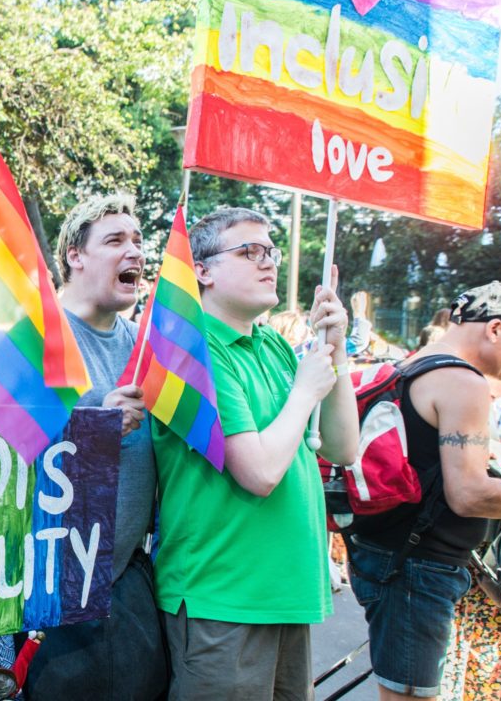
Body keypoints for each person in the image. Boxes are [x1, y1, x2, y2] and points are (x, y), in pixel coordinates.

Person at [151, 207, 358, 700]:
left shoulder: (274, 347)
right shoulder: (190, 348)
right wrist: (306, 391)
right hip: (222, 599)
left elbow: (343, 447)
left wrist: (339, 352)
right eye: (249, 251)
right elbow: (259, 472)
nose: (268, 262)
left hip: (283, 597)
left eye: (271, 250)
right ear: (201, 270)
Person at [346, 281, 501, 700]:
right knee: (409, 696)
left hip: (388, 553)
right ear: (495, 328)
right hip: (418, 566)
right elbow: (468, 495)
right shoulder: (465, 382)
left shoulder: (416, 365)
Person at [23, 193, 166, 700]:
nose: (134, 251)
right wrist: (94, 424)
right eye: (114, 240)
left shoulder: (147, 346)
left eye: (138, 240)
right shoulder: (35, 335)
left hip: (127, 580)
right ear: (74, 256)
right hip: (47, 589)